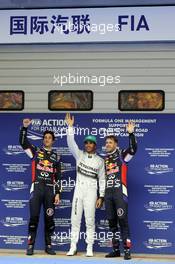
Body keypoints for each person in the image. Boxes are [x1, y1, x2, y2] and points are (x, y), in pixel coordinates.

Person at [65, 113, 105, 257]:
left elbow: (102, 180)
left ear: (95, 145)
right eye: (86, 142)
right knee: (75, 219)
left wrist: (101, 196)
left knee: (90, 220)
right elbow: (71, 143)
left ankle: (89, 247)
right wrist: (70, 127)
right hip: (79, 190)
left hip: (92, 191)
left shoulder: (100, 161)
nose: (88, 145)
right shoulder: (79, 155)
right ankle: (73, 246)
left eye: (91, 143)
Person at [19, 118, 61, 256]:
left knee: (50, 219)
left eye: (50, 138)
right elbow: (23, 143)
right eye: (45, 137)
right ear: (43, 140)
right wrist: (24, 128)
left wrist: (58, 193)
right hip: (36, 188)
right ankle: (30, 245)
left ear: (53, 141)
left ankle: (49, 246)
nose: (47, 139)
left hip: (50, 190)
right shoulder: (36, 151)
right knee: (34, 217)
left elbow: (58, 177)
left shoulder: (57, 157)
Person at [104, 121, 137, 260]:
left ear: (116, 144)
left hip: (119, 193)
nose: (107, 145)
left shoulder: (122, 155)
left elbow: (133, 150)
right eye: (106, 143)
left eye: (110, 143)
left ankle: (127, 250)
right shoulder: (104, 159)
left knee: (122, 221)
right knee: (112, 223)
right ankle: (116, 249)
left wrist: (131, 134)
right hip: (108, 194)